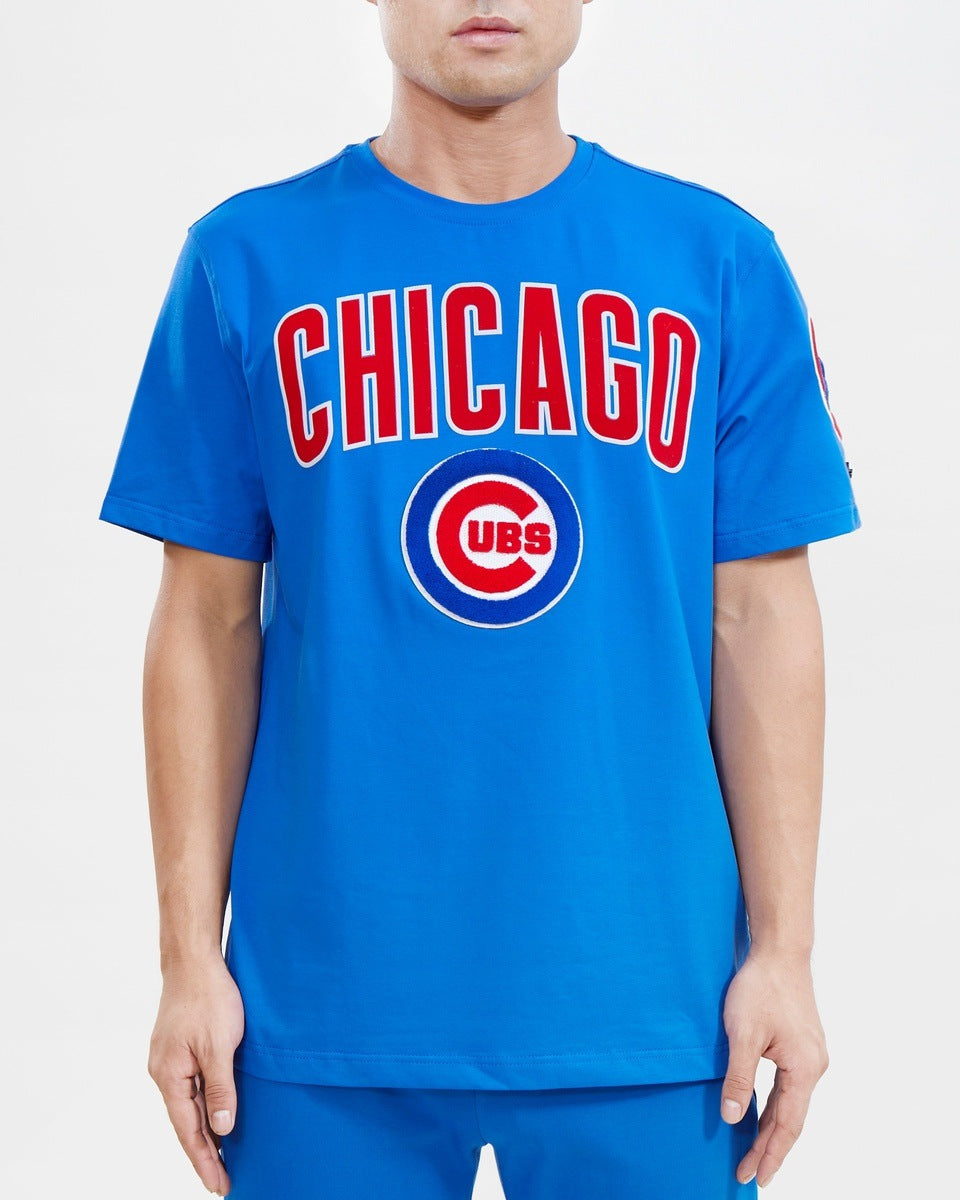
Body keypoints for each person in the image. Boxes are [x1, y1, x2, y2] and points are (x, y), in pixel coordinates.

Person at [97, 2, 862, 1196]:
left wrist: (785, 951)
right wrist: (187, 958)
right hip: (318, 1010)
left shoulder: (716, 260)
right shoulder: (244, 259)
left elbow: (760, 617)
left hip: (654, 1005)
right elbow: (205, 619)